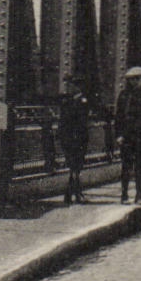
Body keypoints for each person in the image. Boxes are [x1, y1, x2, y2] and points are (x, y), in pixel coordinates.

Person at [113, 65, 141, 205]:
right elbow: (119, 117)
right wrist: (118, 135)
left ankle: (139, 195)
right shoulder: (124, 95)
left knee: (140, 167)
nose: (134, 82)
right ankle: (124, 195)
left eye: (136, 79)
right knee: (126, 167)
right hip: (127, 136)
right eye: (131, 79)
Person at [58, 75, 92, 204]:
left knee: (75, 167)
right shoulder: (68, 101)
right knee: (74, 167)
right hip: (69, 138)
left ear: (77, 87)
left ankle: (71, 194)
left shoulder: (82, 101)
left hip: (78, 138)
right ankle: (75, 194)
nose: (68, 88)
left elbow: (80, 122)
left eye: (70, 85)